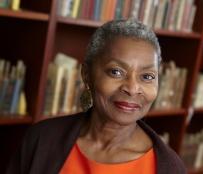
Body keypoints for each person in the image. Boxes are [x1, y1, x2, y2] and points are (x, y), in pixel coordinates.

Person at [6, 19, 186, 174]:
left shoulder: (169, 168)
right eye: (116, 72)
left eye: (147, 76)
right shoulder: (41, 139)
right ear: (87, 75)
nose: (132, 88)